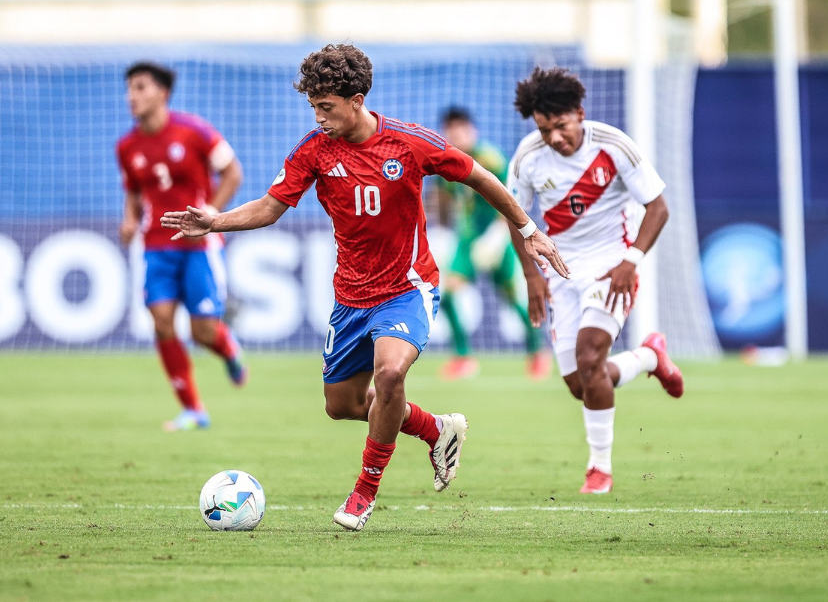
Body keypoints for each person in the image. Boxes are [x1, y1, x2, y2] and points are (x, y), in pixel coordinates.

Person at [161, 44, 568, 531]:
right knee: (344, 406)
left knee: (390, 374)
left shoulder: (409, 143)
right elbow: (270, 207)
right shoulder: (314, 150)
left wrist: (527, 230)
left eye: (326, 107)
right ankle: (435, 428)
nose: (319, 117)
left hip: (408, 287)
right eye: (313, 107)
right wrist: (217, 222)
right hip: (351, 298)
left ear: (356, 100)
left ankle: (363, 493)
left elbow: (482, 178)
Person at [506, 67, 685, 495]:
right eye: (545, 129)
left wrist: (632, 260)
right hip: (561, 270)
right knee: (578, 383)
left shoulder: (614, 145)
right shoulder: (528, 155)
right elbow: (516, 217)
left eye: (561, 126)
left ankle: (599, 469)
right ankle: (648, 358)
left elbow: (658, 207)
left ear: (580, 114)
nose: (554, 138)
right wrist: (532, 274)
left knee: (590, 360)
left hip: (611, 266)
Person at [116, 61, 248, 433]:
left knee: (202, 331)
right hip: (156, 245)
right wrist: (129, 219)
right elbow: (134, 192)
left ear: (162, 93)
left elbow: (233, 171)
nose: (132, 96)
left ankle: (228, 348)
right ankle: (193, 409)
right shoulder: (126, 146)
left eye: (140, 87)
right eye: (129, 88)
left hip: (199, 245)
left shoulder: (194, 131)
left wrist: (211, 212)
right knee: (160, 321)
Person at [434, 107, 550, 381]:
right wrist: (440, 231)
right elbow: (444, 200)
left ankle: (537, 352)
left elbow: (510, 198)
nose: (456, 133)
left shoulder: (490, 158)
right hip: (467, 239)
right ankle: (463, 358)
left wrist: (498, 235)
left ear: (472, 130)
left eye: (461, 127)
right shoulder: (443, 161)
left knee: (513, 298)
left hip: (498, 236)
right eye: (451, 128)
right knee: (447, 294)